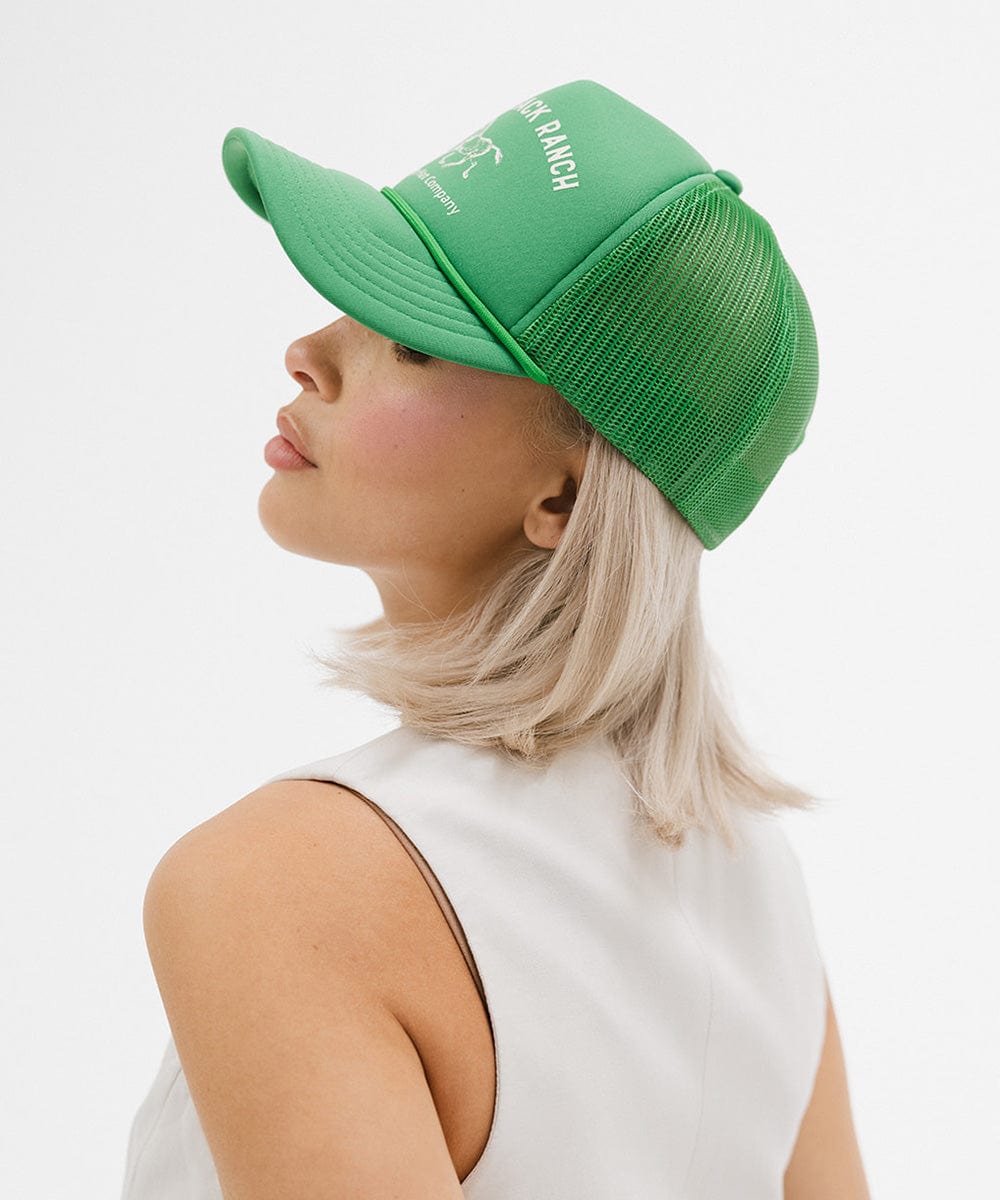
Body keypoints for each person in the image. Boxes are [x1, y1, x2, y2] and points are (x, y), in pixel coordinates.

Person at [119, 79, 871, 1198]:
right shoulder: (751, 885)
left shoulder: (279, 885)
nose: (309, 349)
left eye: (415, 344)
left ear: (563, 502)